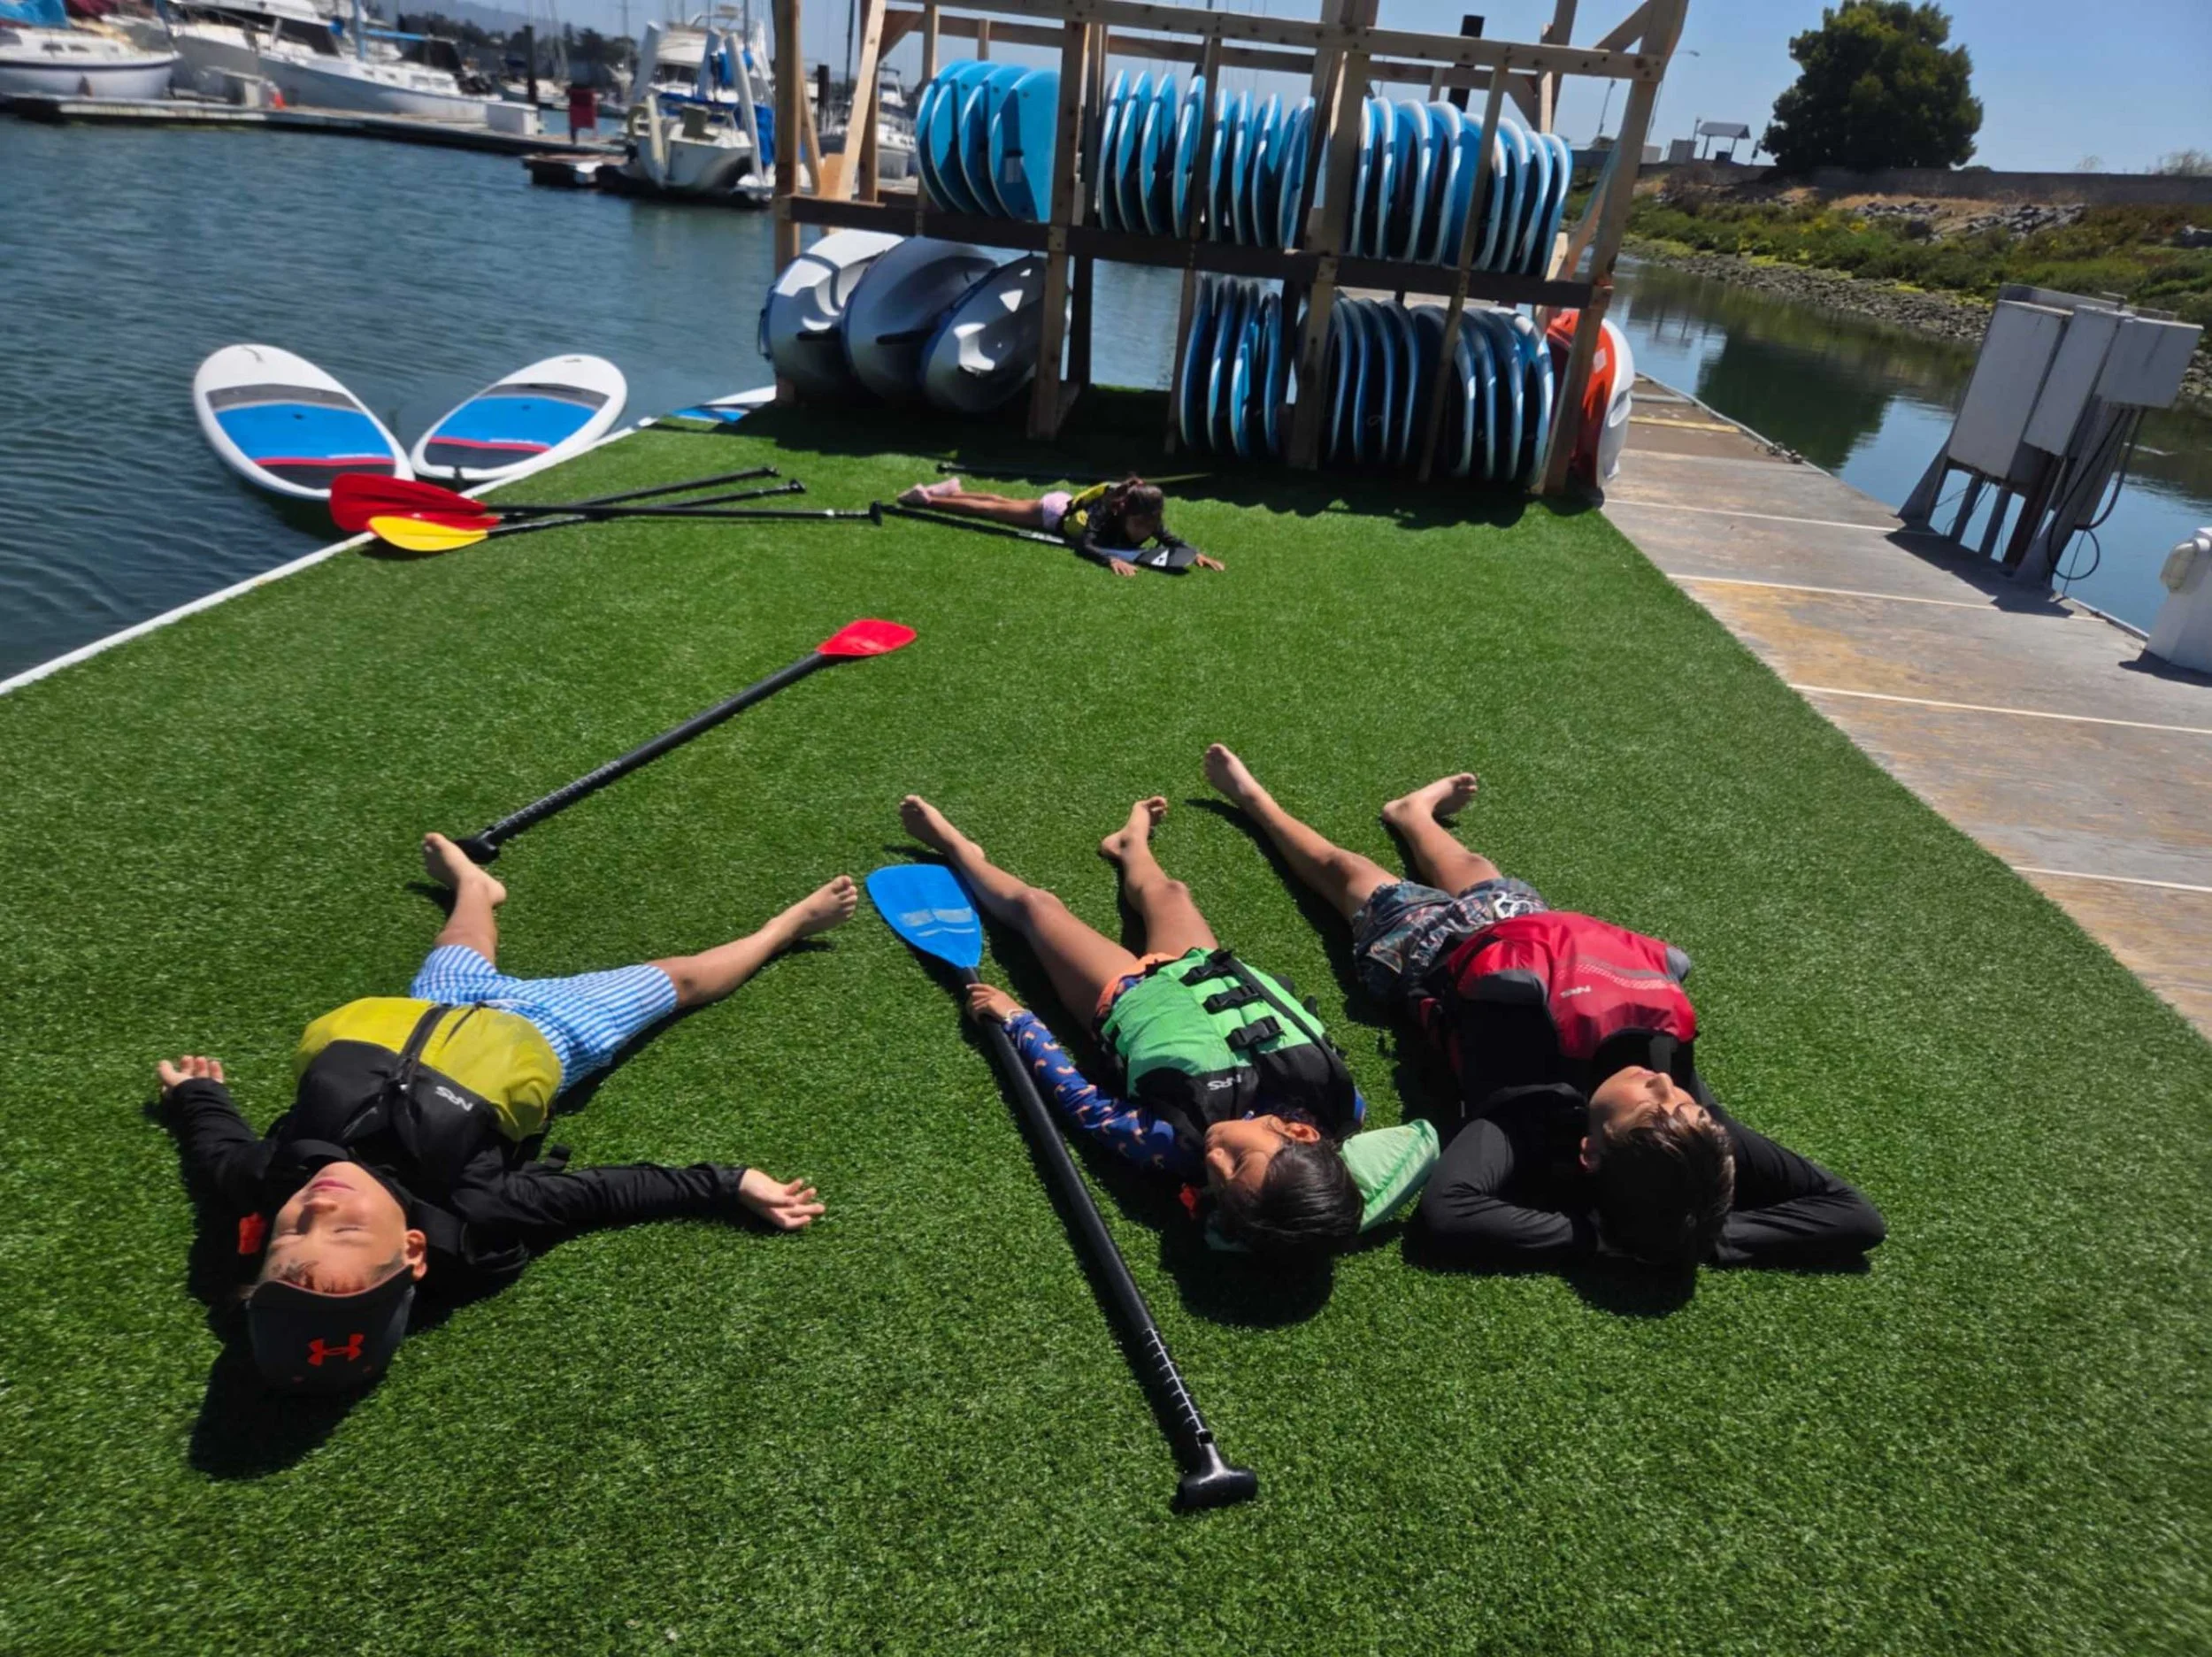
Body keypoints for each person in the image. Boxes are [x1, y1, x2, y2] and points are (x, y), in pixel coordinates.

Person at [153, 832, 848, 1394]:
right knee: (687, 977)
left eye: (290, 1234)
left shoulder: (266, 1174)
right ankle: (784, 928)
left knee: (460, 948)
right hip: (549, 1031)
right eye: (343, 1233)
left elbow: (215, 1151)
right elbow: (602, 1194)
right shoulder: (476, 1207)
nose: (318, 1208)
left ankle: (476, 890)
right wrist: (728, 1182)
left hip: (426, 1012)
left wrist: (196, 1095)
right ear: (415, 1250)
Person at [1201, 746, 1886, 1272]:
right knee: (1472, 863)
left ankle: (1255, 800)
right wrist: (1698, 1235)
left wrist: (1608, 1239)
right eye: (1691, 1106)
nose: (1668, 1085)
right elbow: (1855, 1215)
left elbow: (1450, 1215)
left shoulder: (1522, 1123)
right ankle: (1412, 816)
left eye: (1655, 1104)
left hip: (1425, 949)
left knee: (1346, 870)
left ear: (1591, 1149)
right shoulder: (1696, 1136)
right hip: (1537, 936)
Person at [897, 793, 1363, 1261]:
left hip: (1124, 996)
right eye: (1238, 1161)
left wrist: (1018, 1019)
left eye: (1218, 1187)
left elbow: (1083, 1101)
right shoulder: (1337, 1103)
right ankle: (1128, 844)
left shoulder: (1173, 1142)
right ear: (1302, 1135)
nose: (1213, 1161)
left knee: (1038, 907)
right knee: (1170, 892)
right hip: (1202, 973)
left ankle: (958, 849)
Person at [895, 474, 1224, 578]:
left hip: (1064, 504)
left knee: (1001, 501)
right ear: (1126, 514)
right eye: (1140, 524)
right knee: (993, 511)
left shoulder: (1150, 522)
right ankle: (929, 500)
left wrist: (1194, 554)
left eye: (1150, 524)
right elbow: (1086, 544)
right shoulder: (1106, 516)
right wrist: (1110, 560)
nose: (1145, 531)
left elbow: (1169, 539)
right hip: (1054, 515)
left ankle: (952, 490)